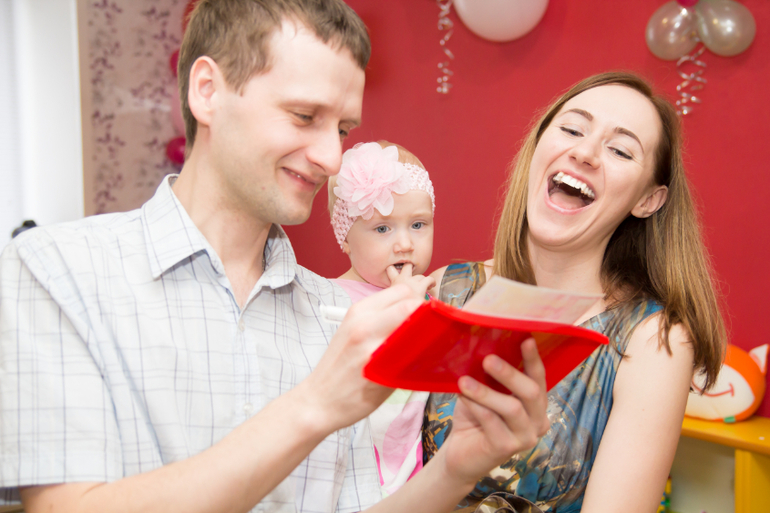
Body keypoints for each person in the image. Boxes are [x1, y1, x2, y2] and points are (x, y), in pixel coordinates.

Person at [0, 1, 550, 513]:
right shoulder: (57, 270)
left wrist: (454, 469)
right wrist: (316, 404)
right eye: (305, 115)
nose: (332, 157)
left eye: (342, 129)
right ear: (207, 91)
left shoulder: (335, 313)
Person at [423, 72, 726, 513]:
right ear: (537, 148)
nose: (584, 152)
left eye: (620, 150)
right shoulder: (449, 290)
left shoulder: (653, 341)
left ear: (648, 200)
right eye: (571, 129)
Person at [327, 140, 435, 496]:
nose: (405, 243)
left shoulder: (430, 295)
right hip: (356, 477)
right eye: (383, 229)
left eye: (418, 224)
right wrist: (403, 309)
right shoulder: (332, 302)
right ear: (345, 238)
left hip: (413, 480)